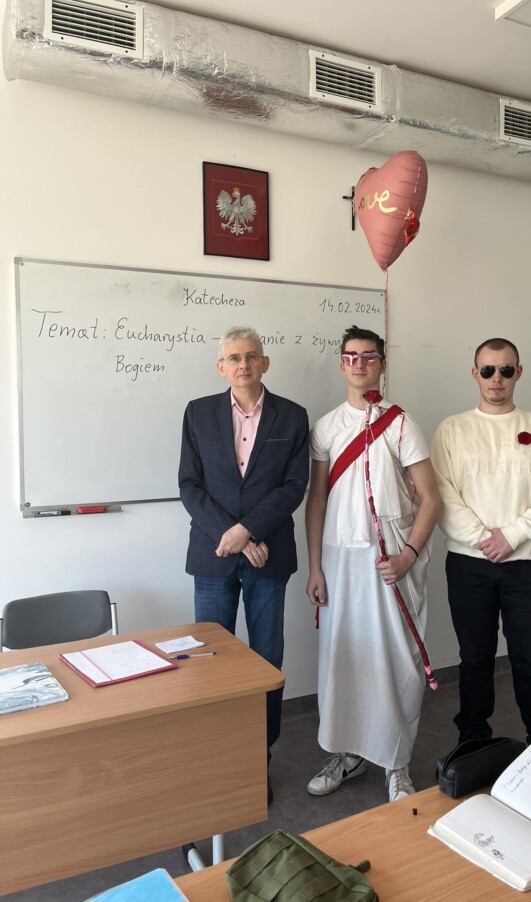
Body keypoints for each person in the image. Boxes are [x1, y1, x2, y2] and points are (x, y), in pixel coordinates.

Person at [305, 325, 442, 802]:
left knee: (395, 660)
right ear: (341, 363)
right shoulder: (325, 427)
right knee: (344, 658)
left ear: (382, 363)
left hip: (390, 560)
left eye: (368, 356)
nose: (359, 364)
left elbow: (431, 499)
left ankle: (396, 763)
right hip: (339, 559)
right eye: (350, 356)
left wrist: (408, 556)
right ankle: (347, 753)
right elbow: (317, 499)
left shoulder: (402, 424)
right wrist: (315, 567)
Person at [179, 325, 309, 789]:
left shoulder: (292, 416)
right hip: (214, 554)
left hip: (268, 556)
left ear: (265, 363)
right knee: (210, 659)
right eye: (234, 358)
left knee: (266, 659)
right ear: (221, 367)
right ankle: (217, 756)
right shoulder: (198, 413)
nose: (243, 365)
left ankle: (259, 759)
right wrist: (234, 534)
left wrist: (248, 530)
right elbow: (189, 485)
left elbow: (294, 486)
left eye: (251, 356)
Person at [430, 338, 531, 747]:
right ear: (475, 374)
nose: (497, 379)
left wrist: (511, 536)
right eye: (488, 370)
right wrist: (482, 539)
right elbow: (441, 493)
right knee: (474, 657)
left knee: (529, 654)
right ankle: (473, 738)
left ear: (518, 373)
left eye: (506, 370)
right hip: (468, 564)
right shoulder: (452, 430)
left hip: (528, 565)